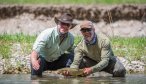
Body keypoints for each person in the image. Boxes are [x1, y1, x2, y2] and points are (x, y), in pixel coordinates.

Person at [30, 13, 77, 78]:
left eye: (67, 24)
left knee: (72, 57)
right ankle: (35, 79)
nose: (65, 26)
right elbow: (35, 51)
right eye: (62, 23)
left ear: (70, 27)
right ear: (58, 23)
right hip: (43, 61)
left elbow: (73, 50)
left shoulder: (71, 38)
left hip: (58, 61)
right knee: (36, 62)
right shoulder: (47, 33)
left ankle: (67, 78)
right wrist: (33, 60)